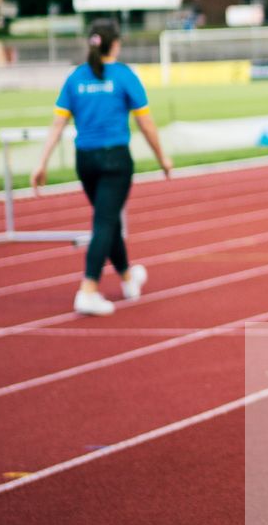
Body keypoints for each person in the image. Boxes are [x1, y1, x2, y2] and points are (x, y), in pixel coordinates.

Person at [31, 20, 172, 315]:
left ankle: (127, 277)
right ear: (116, 44)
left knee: (108, 220)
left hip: (86, 161)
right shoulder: (124, 76)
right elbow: (145, 123)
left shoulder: (76, 78)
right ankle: (88, 289)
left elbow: (58, 123)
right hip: (115, 160)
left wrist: (41, 162)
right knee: (105, 223)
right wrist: (162, 158)